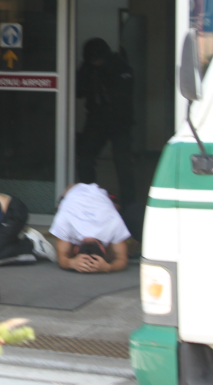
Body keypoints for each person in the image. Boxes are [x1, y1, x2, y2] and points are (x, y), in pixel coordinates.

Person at [76, 37, 136, 205]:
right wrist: (88, 74)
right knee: (85, 158)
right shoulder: (88, 68)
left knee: (123, 163)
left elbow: (123, 94)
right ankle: (90, 198)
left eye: (98, 60)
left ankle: (129, 204)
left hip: (120, 121)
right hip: (97, 120)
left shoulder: (119, 67)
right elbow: (78, 91)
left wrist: (103, 74)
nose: (96, 63)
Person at [50, 183, 131, 273]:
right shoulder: (63, 221)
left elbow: (122, 260)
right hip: (81, 192)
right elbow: (122, 260)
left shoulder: (114, 222)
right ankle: (95, 188)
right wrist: (108, 267)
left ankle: (94, 188)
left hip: (87, 193)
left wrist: (71, 263)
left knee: (115, 207)